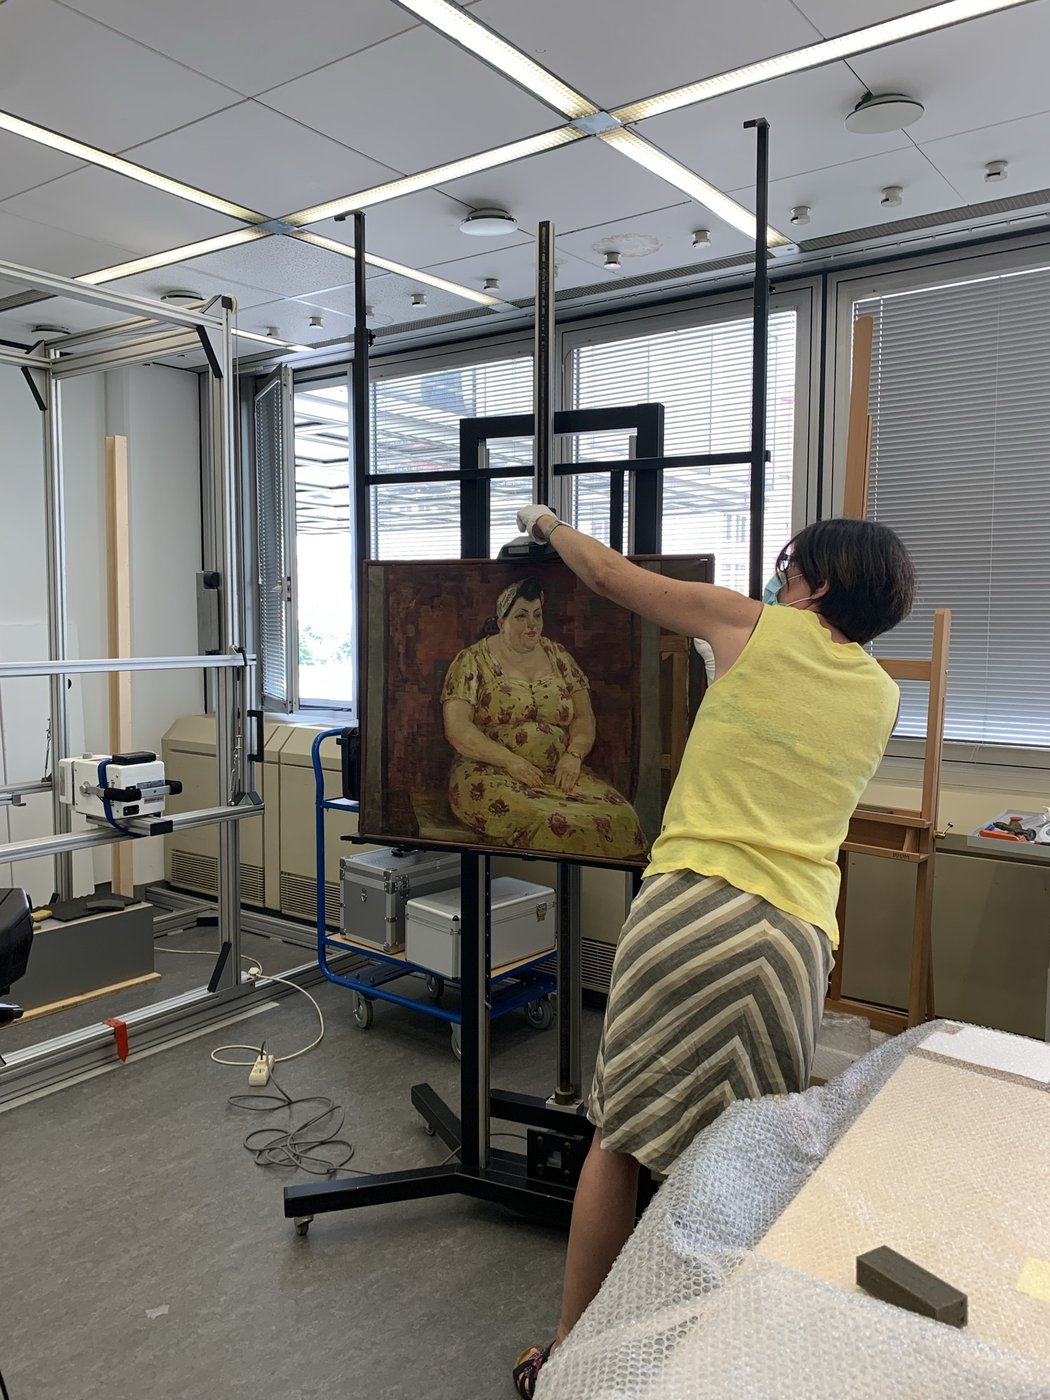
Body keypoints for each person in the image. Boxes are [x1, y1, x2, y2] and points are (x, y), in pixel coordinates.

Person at [510, 507, 915, 1398]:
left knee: (618, 1140)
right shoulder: (885, 696)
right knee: (741, 1161)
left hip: (691, 911)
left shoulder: (749, 625)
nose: (779, 576)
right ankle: (708, 1366)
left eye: (790, 564)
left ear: (816, 580)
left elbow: (613, 579)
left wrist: (546, 520)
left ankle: (571, 1358)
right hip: (792, 946)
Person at [440, 578, 646, 860]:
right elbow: (458, 729)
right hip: (491, 773)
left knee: (622, 816)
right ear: (502, 622)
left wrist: (574, 755)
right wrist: (511, 761)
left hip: (558, 772)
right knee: (550, 822)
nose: (531, 625)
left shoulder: (558, 655)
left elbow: (584, 717)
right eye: (521, 616)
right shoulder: (473, 660)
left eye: (537, 615)